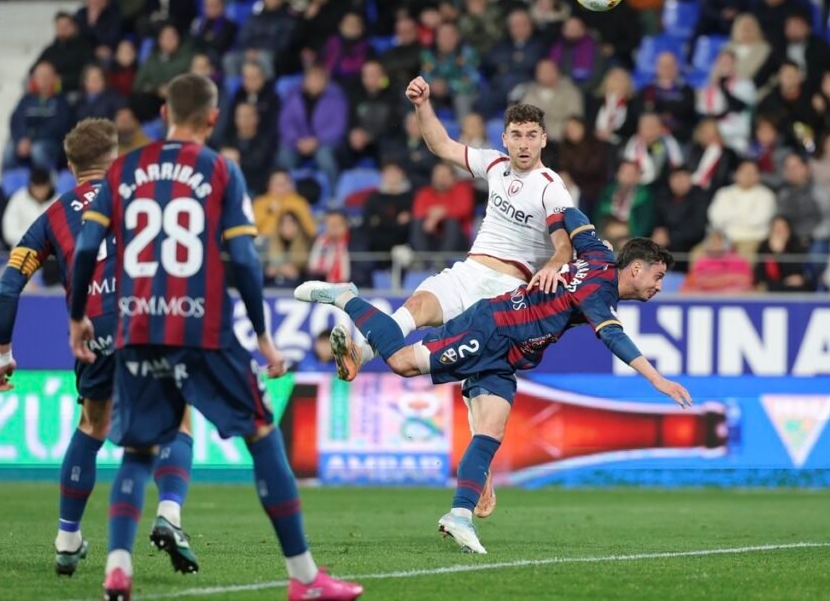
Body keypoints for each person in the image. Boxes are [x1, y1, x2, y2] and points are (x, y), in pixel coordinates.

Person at [67, 76, 362, 601]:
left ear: (162, 111)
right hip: (200, 326)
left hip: (136, 327)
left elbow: (87, 245)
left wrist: (76, 318)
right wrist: (265, 339)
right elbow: (244, 260)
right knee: (262, 434)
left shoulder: (123, 169)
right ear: (212, 118)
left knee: (137, 449)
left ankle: (118, 568)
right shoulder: (221, 169)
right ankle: (304, 578)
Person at [296, 208, 691, 554]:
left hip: (511, 352)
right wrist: (658, 380)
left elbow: (567, 213)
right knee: (401, 361)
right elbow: (613, 337)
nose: (659, 285)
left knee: (491, 429)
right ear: (635, 269)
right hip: (492, 329)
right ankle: (347, 297)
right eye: (657, 276)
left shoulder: (598, 252)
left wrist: (561, 252)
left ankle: (459, 515)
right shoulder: (598, 292)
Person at [328, 78, 575, 519]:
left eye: (531, 135)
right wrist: (423, 105)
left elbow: (563, 241)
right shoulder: (495, 165)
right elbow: (441, 144)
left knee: (477, 388)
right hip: (470, 270)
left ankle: (481, 477)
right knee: (419, 305)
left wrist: (556, 262)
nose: (522, 143)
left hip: (505, 292)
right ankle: (362, 352)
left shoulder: (550, 187)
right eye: (516, 135)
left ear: (543, 139)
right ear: (505, 138)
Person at [0, 119, 199, 578]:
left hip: (94, 328)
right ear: (116, 156)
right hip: (149, 316)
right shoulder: (146, 195)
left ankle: (68, 541)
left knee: (92, 425)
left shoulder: (51, 216)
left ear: (70, 166)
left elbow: (8, 288)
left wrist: (3, 353)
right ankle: (169, 515)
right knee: (178, 416)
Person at [6, 62, 75, 172]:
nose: (43, 80)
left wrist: (32, 139)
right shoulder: (26, 100)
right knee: (9, 150)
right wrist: (21, 138)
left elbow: (57, 127)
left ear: (54, 78)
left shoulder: (62, 102)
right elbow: (16, 121)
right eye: (39, 76)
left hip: (51, 143)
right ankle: (9, 186)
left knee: (38, 150)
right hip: (26, 141)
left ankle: (48, 183)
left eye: (47, 76)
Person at [707, 159, 777, 259]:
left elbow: (757, 221)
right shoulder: (723, 193)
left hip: (752, 239)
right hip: (722, 238)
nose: (748, 176)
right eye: (744, 172)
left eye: (752, 173)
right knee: (697, 255)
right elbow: (714, 216)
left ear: (758, 176)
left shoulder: (766, 195)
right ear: (736, 174)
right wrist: (743, 215)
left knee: (743, 261)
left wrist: (730, 216)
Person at [410, 162, 474, 258]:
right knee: (418, 222)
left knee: (451, 222)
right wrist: (433, 216)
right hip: (431, 236)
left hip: (458, 240)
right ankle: (422, 260)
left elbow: (464, 210)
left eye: (444, 175)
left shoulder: (462, 189)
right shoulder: (425, 192)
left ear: (453, 177)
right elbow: (417, 212)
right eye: (438, 175)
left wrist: (441, 213)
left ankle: (443, 260)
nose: (441, 179)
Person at [35, 13, 95, 95]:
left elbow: (89, 73)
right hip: (52, 91)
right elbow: (34, 69)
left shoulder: (84, 48)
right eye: (59, 26)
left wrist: (64, 80)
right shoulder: (50, 50)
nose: (62, 29)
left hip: (75, 91)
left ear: (74, 27)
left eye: (66, 26)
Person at [682, 228, 754, 293]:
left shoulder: (738, 260)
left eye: (718, 241)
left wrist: (713, 282)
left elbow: (745, 282)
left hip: (731, 297)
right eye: (712, 241)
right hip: (706, 297)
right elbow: (692, 282)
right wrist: (724, 280)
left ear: (726, 243)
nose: (715, 244)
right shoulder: (701, 261)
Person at [1, 168, 55, 248]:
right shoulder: (18, 198)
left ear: (49, 186)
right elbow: (9, 232)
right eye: (37, 187)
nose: (40, 191)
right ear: (31, 186)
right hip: (22, 251)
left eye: (43, 187)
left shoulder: (59, 201)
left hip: (52, 254)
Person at [753, 216, 809, 292]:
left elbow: (798, 274)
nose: (779, 231)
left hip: (795, 288)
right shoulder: (764, 247)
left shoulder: (796, 245)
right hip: (772, 287)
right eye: (776, 228)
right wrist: (775, 253)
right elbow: (760, 275)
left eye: (782, 228)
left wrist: (782, 252)